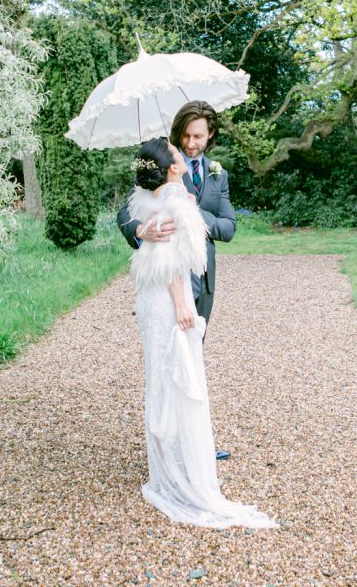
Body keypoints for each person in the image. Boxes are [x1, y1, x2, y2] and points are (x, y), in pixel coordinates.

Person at [126, 137, 277, 530]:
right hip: (168, 298)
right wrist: (180, 304)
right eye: (177, 152)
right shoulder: (172, 203)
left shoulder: (151, 198)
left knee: (161, 377)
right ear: (172, 167)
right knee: (180, 377)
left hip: (150, 299)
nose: (184, 150)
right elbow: (173, 259)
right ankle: (181, 472)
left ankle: (171, 461)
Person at [117, 100, 236, 461]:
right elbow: (127, 211)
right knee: (171, 362)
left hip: (203, 280)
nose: (190, 142)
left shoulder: (218, 174)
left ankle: (195, 441)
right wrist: (141, 229)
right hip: (172, 285)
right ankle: (177, 448)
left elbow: (228, 228)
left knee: (192, 362)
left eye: (197, 135)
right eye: (184, 134)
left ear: (210, 135)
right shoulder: (164, 162)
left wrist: (192, 214)